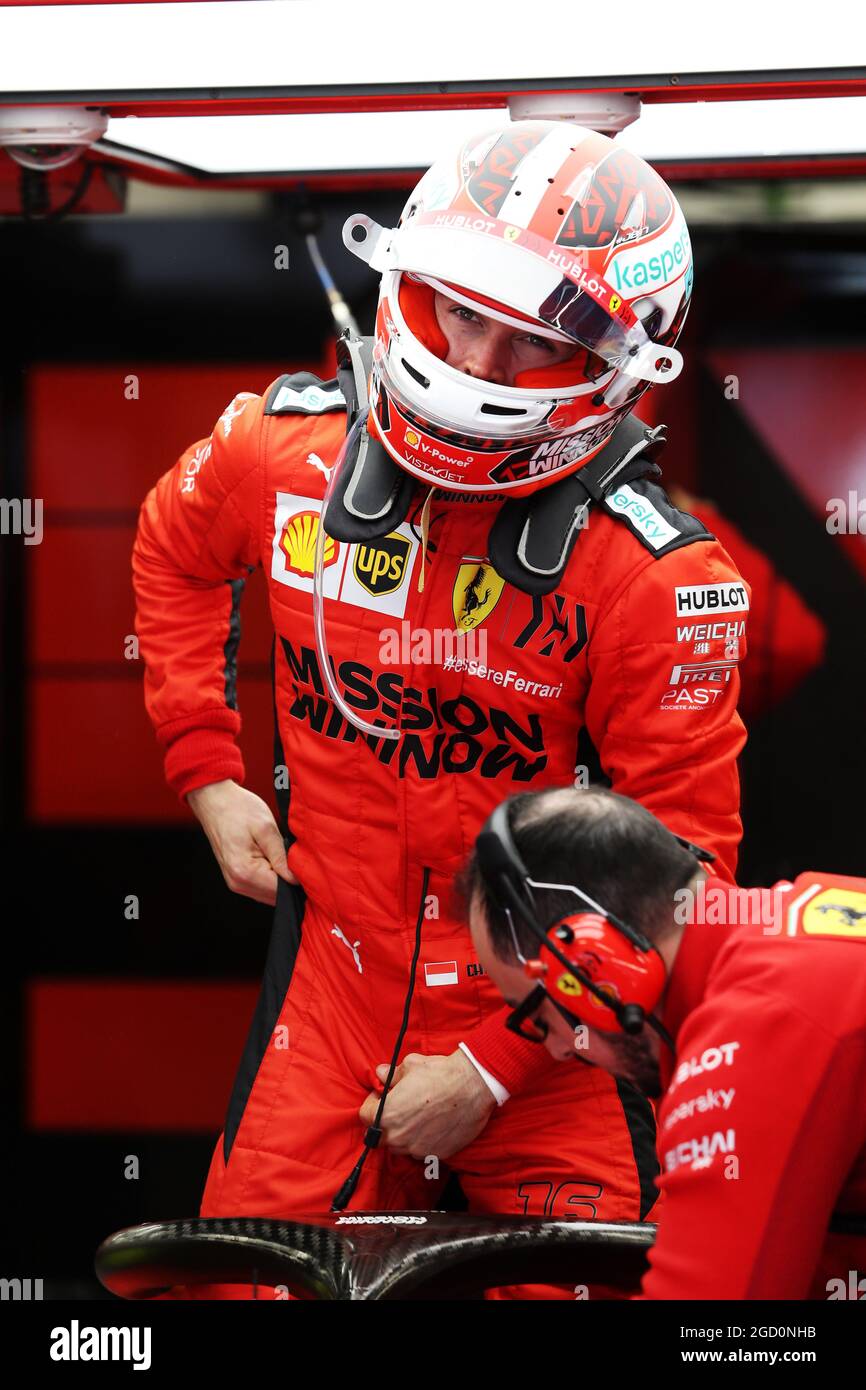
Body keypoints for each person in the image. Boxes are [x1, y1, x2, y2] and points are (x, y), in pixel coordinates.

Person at [132, 119, 750, 1297]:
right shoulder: (282, 452)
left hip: (558, 1041)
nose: (472, 358)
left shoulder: (659, 578)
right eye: (454, 309)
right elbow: (169, 545)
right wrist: (204, 766)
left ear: (621, 363)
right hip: (333, 988)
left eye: (524, 341)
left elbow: (682, 881)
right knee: (229, 1291)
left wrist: (490, 1068)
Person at [465, 785, 866, 1299]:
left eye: (536, 1017)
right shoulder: (794, 928)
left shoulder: (760, 1023)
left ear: (598, 966)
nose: (558, 1049)